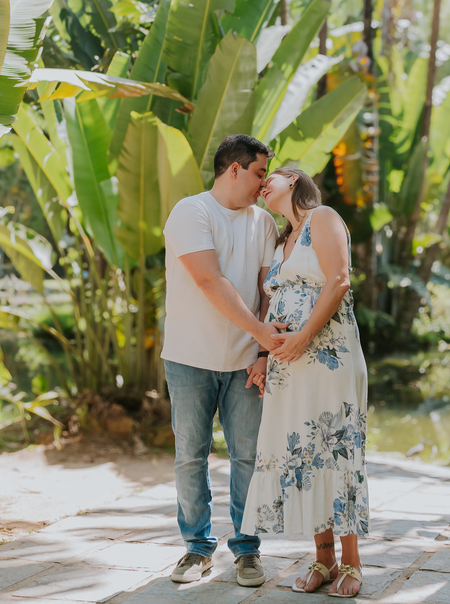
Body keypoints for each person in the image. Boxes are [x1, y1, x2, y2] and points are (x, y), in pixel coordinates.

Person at [161, 134, 287, 587]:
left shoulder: (264, 224)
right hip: (189, 358)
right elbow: (209, 280)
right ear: (233, 169)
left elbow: (268, 289)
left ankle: (247, 550)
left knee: (249, 457)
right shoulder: (190, 212)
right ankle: (196, 549)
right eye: (258, 173)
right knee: (190, 457)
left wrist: (260, 352)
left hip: (244, 363)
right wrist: (266, 338)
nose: (263, 183)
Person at [240, 168, 369, 598]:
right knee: (303, 454)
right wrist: (263, 356)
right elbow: (274, 302)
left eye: (269, 177)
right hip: (288, 365)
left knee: (335, 451)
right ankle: (324, 558)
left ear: (293, 179)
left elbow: (338, 280)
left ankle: (352, 563)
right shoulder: (281, 241)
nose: (262, 184)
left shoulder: (324, 217)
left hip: (328, 357)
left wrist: (303, 337)